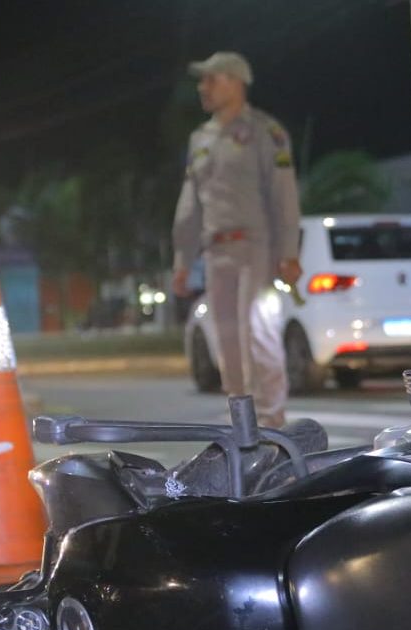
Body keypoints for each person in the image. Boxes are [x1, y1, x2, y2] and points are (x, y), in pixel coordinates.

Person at [171, 51, 302, 428]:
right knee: (226, 340)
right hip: (216, 252)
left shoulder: (265, 131)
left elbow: (284, 195)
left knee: (258, 334)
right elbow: (189, 205)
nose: (203, 87)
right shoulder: (201, 138)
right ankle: (241, 425)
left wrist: (288, 252)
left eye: (211, 79)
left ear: (235, 81)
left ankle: (272, 423)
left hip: (255, 249)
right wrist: (182, 261)